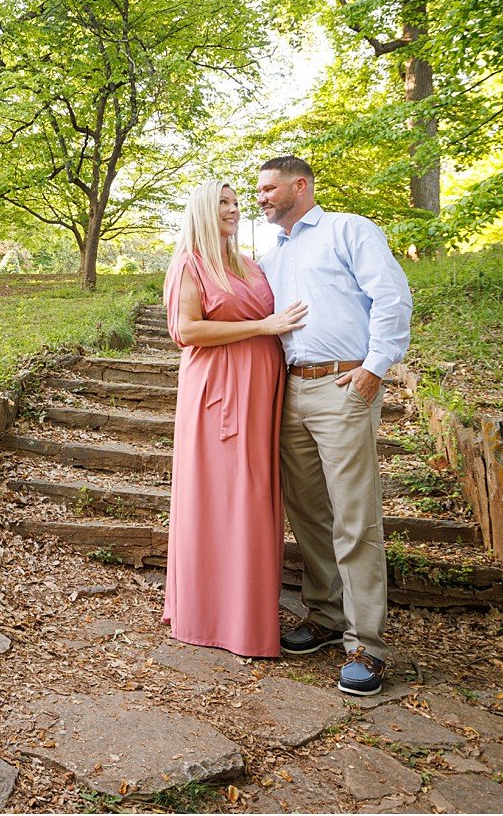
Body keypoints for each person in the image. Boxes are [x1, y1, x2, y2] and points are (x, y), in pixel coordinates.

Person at [255, 155, 412, 696]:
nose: (261, 198)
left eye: (269, 189)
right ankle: (323, 615)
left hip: (344, 386)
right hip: (290, 389)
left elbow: (391, 297)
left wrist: (375, 367)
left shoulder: (350, 230)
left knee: (354, 512)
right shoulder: (270, 257)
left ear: (300, 186)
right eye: (258, 191)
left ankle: (366, 643)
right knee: (307, 510)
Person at [162, 179, 308, 657]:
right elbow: (186, 329)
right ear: (204, 208)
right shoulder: (190, 261)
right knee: (223, 495)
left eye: (237, 201)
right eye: (223, 202)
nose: (235, 208)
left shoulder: (251, 264)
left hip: (262, 387)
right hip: (217, 392)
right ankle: (209, 616)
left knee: (255, 495)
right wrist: (263, 326)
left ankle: (248, 612)